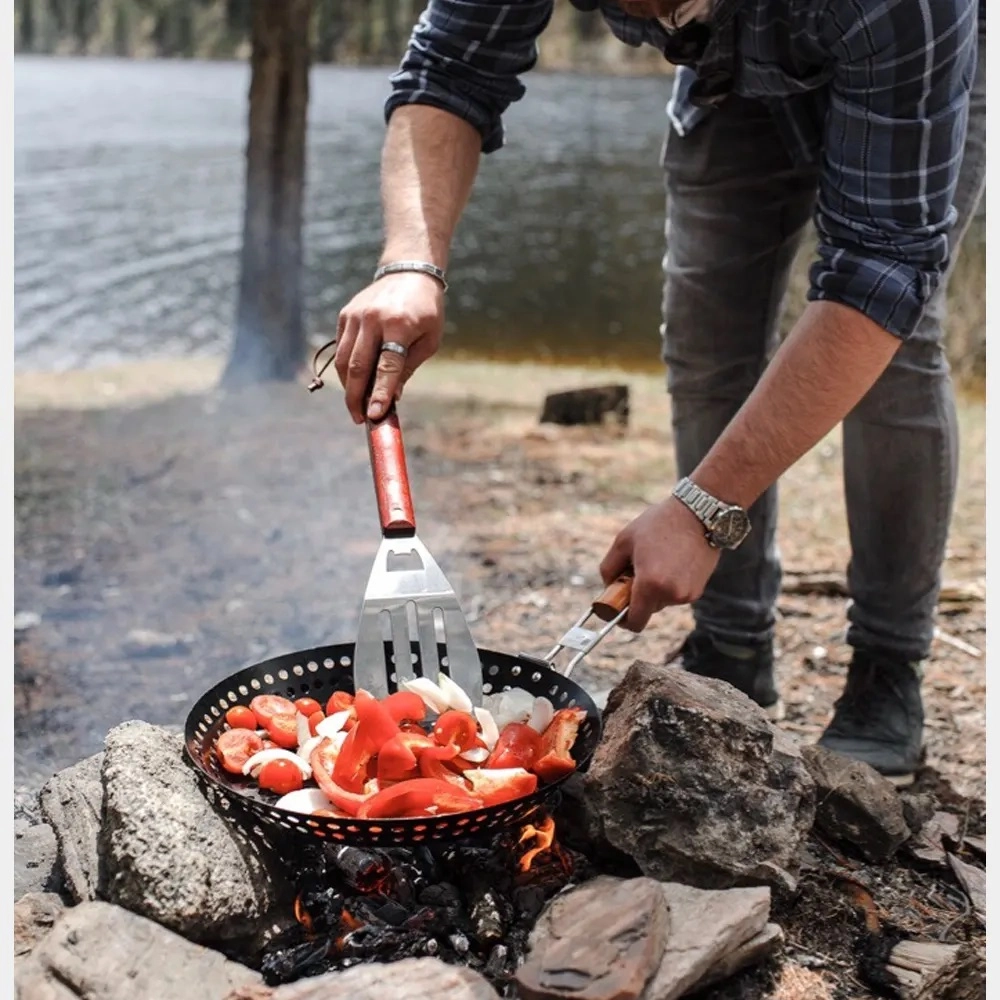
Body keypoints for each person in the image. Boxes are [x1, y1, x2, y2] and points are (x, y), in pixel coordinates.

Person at [333, 0, 985, 785]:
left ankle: (888, 669)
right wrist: (412, 260)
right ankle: (730, 645)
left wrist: (704, 510)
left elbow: (881, 271)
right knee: (707, 339)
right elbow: (451, 65)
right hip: (728, 77)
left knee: (898, 354)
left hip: (904, 70)